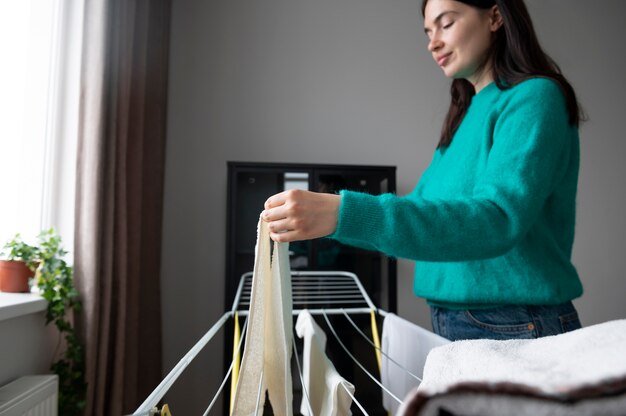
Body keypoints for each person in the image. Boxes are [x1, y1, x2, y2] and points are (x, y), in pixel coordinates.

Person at [262, 0, 585, 341]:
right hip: (461, 318)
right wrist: (327, 219)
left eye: (445, 24)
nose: (432, 43)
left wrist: (342, 212)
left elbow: (497, 219)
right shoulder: (465, 113)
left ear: (494, 16)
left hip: (516, 321)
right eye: (428, 32)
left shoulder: (534, 97)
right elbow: (421, 208)